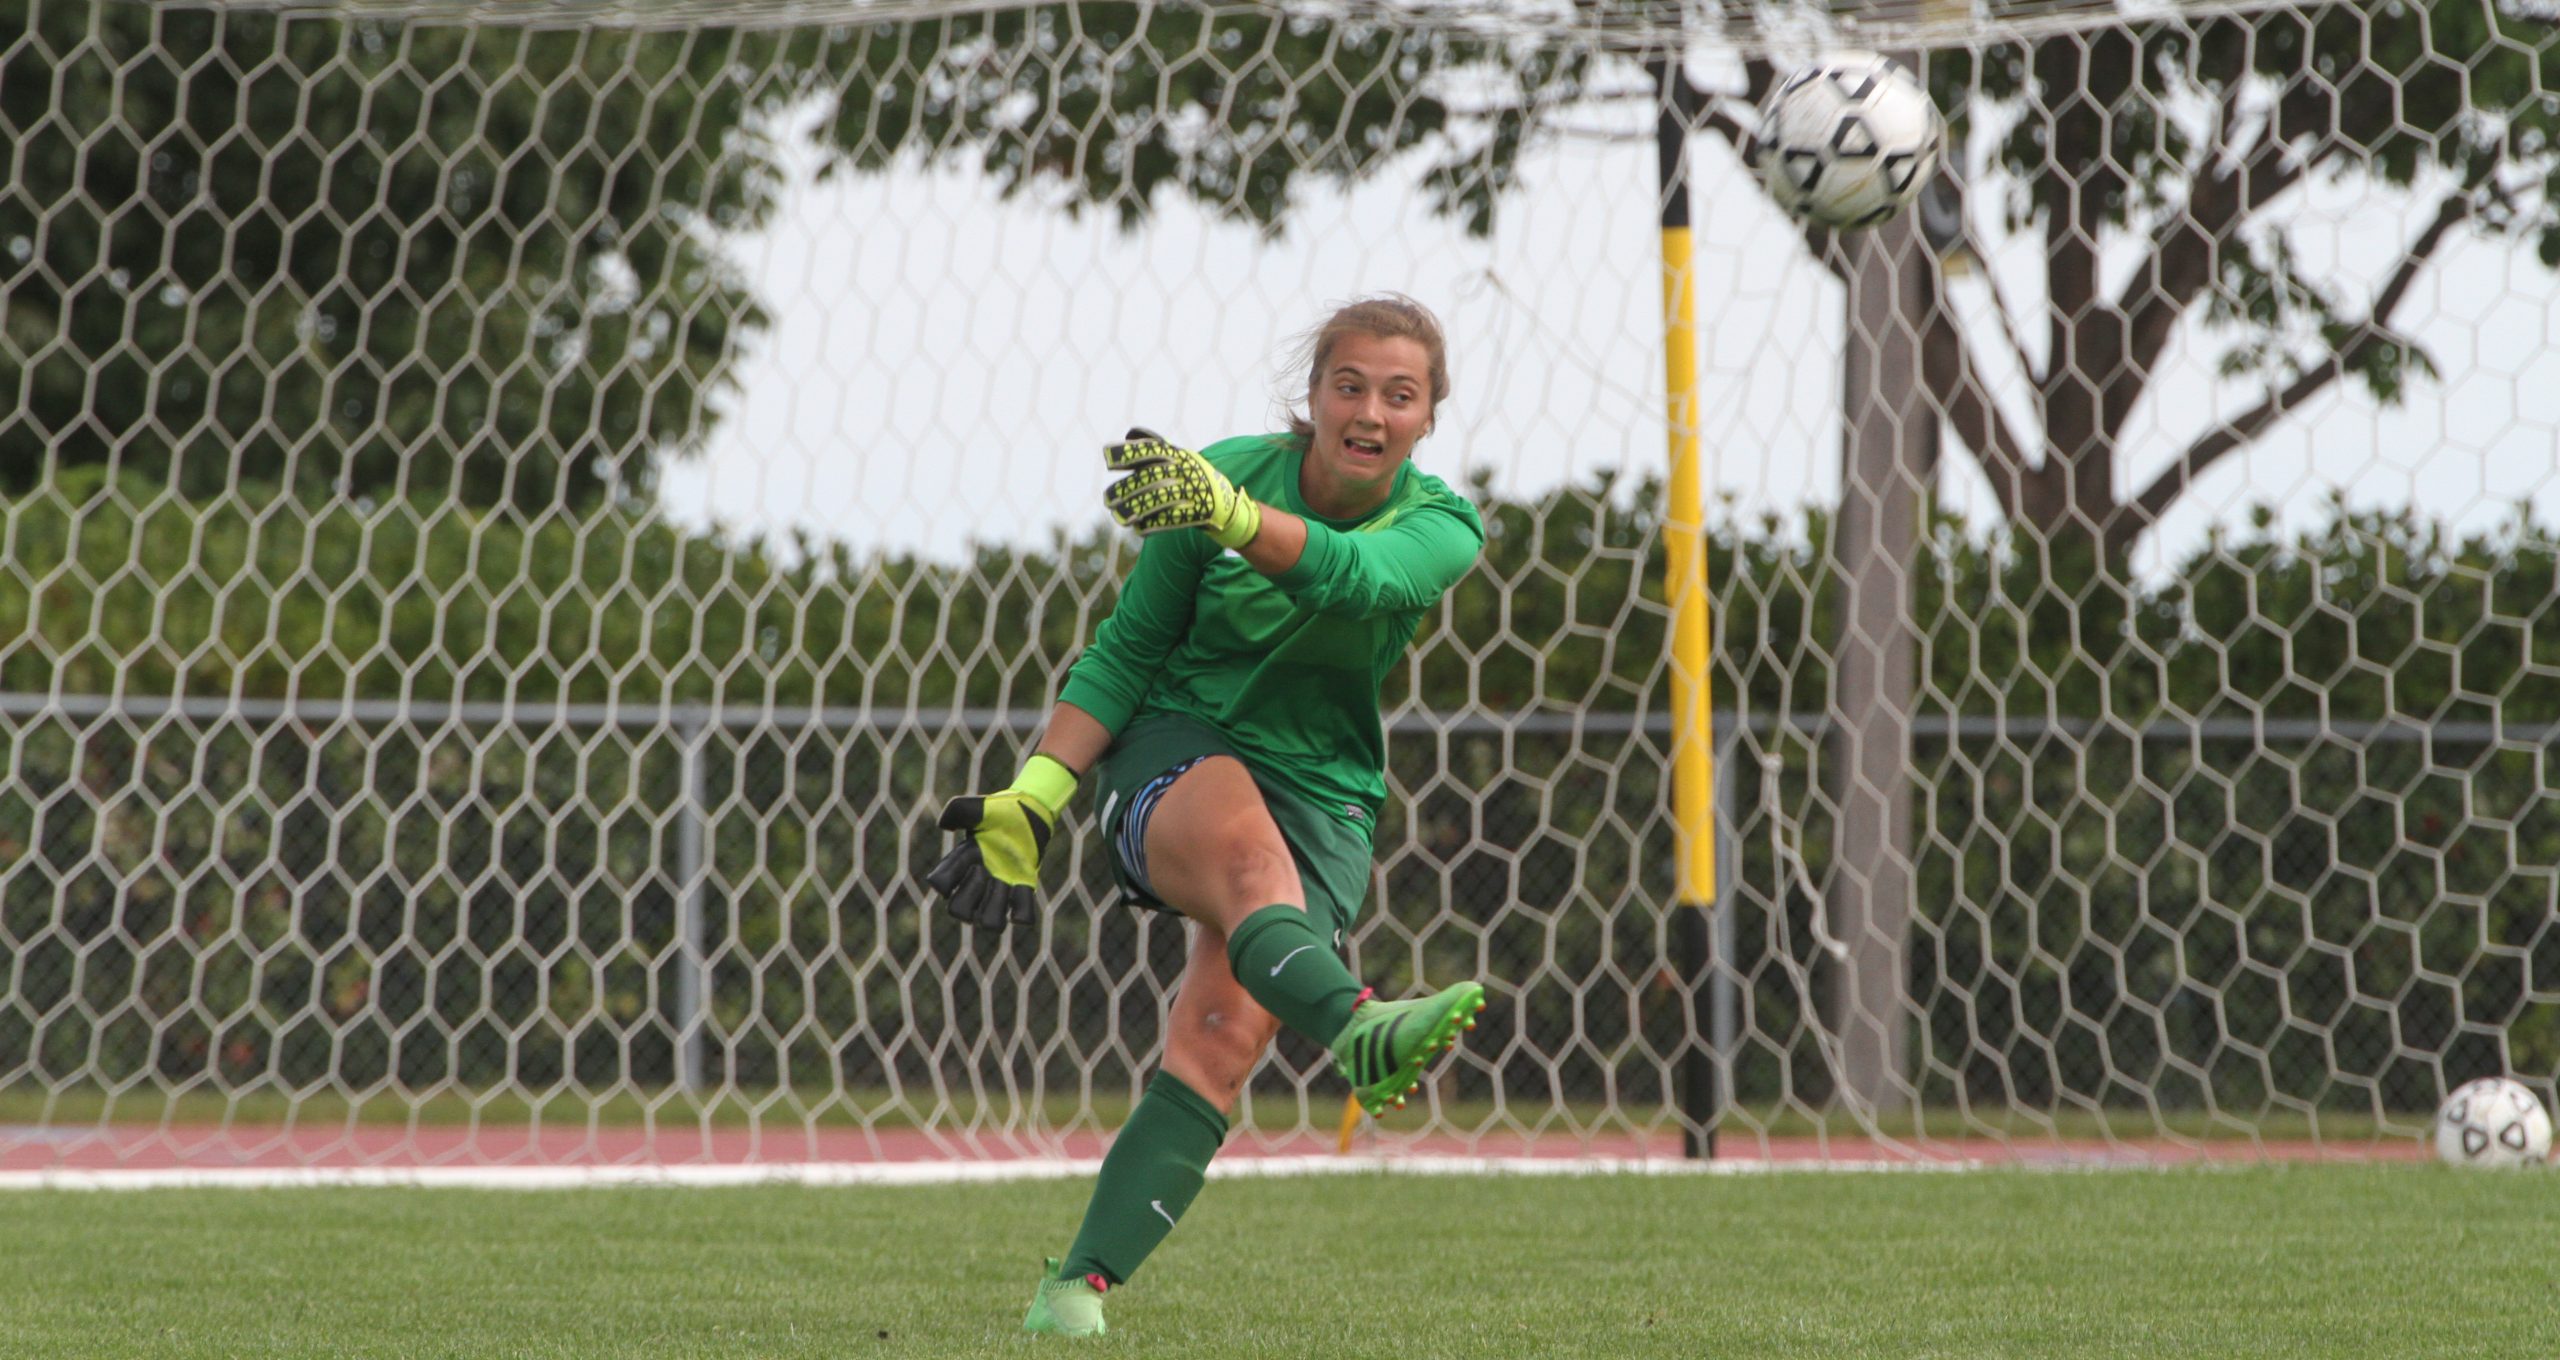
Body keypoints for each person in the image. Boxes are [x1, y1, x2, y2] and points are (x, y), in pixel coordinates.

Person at [924, 294, 1489, 1339]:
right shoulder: (1227, 471)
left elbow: (1355, 576)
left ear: (1427, 417)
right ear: (1312, 397)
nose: (1369, 410)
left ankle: (1073, 1288)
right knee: (1244, 862)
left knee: (1222, 1037)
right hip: (1176, 743)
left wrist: (1229, 516)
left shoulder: (1443, 527)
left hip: (1323, 790)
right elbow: (1129, 649)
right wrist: (1036, 796)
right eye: (1349, 385)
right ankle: (1360, 1024)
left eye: (1397, 395)